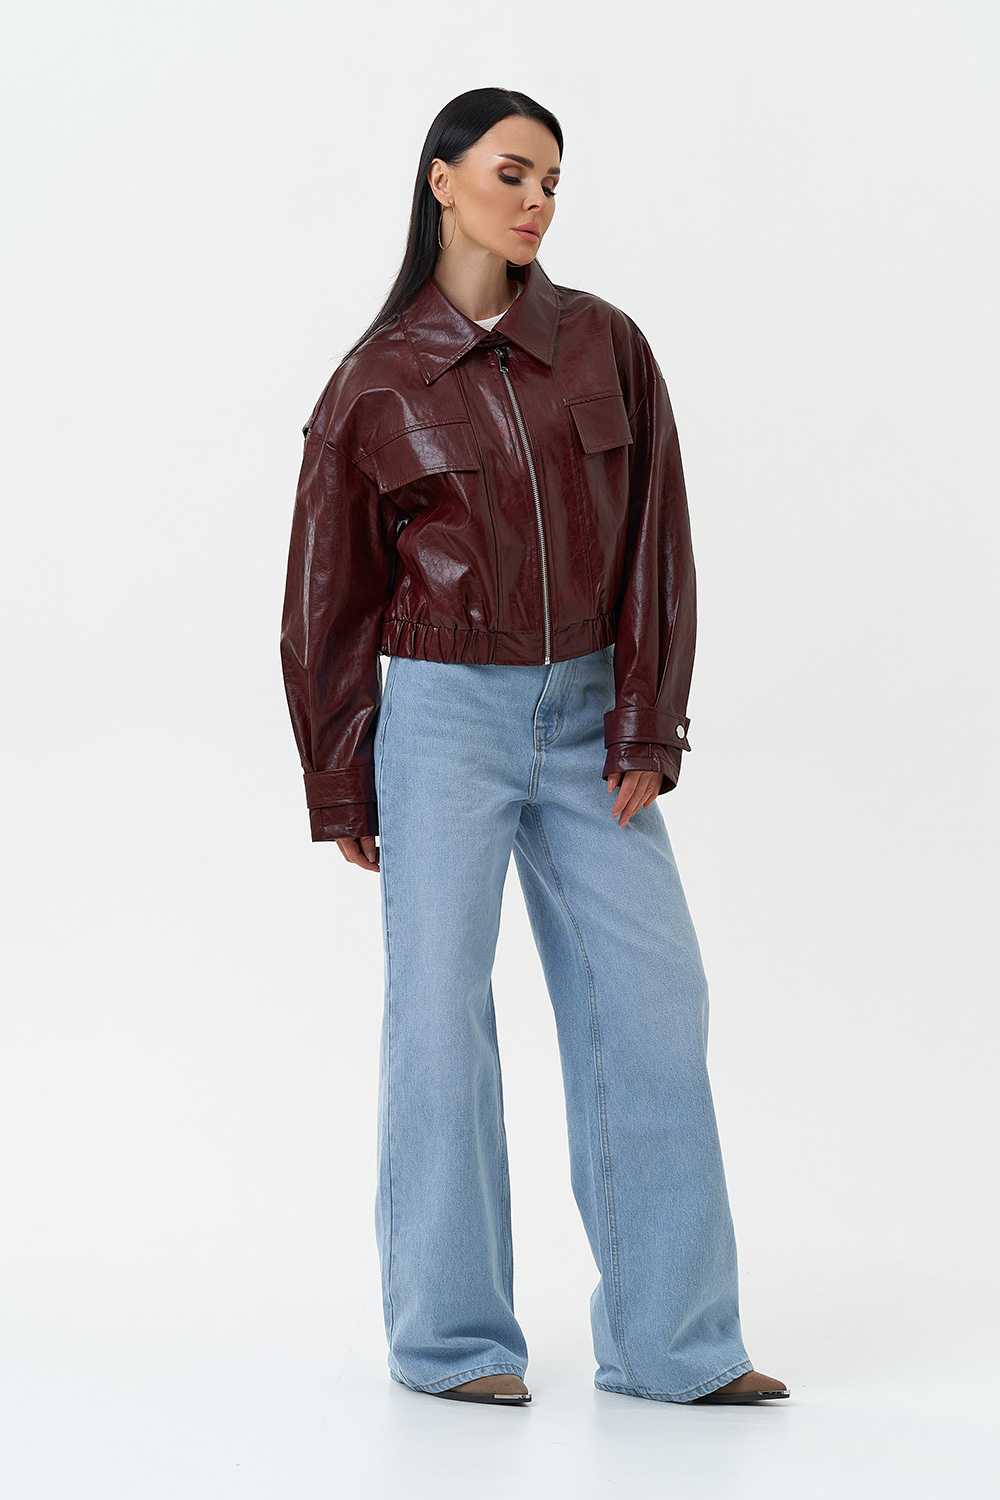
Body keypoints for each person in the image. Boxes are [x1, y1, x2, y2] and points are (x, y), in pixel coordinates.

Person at [280, 86, 788, 1409]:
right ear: (441, 179)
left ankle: (674, 1345)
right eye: (511, 173)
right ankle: (453, 1344)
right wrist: (341, 774)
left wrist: (647, 718)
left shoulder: (604, 345)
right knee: (438, 1023)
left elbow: (657, 540)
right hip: (440, 720)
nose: (536, 201)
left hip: (589, 720)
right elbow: (326, 597)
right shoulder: (375, 381)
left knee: (654, 1003)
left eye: (552, 181)